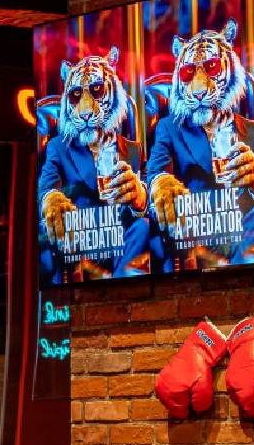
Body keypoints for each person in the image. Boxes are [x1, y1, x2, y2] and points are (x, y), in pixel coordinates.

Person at [141, 21, 254, 267]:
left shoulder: (252, 129)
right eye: (189, 72)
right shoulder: (169, 128)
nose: (199, 87)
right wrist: (161, 183)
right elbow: (153, 176)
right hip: (193, 232)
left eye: (211, 67)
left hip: (240, 231)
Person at [34, 49, 160, 280]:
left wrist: (140, 196)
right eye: (75, 96)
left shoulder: (132, 149)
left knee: (144, 227)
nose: (84, 111)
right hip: (78, 243)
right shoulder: (58, 148)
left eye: (97, 90)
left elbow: (154, 203)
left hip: (121, 243)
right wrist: (51, 199)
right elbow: (45, 188)